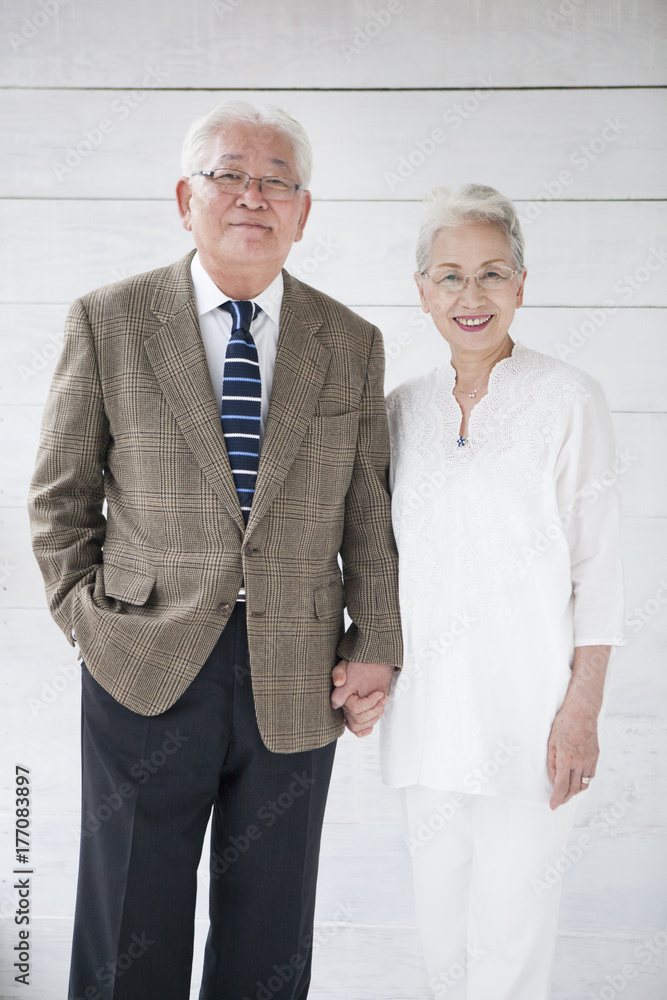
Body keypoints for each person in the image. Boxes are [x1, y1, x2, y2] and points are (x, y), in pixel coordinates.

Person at [28, 99, 402, 1000]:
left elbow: (368, 509)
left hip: (298, 666)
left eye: (277, 181)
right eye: (230, 175)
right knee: (130, 917)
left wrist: (378, 640)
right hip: (143, 660)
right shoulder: (109, 320)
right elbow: (59, 497)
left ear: (303, 212)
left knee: (270, 928)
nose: (252, 196)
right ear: (185, 197)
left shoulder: (348, 343)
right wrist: (91, 623)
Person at [333, 184, 624, 999]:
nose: (472, 296)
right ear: (422, 290)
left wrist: (580, 710)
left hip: (529, 718)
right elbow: (370, 558)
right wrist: (363, 660)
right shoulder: (398, 411)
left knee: (512, 945)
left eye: (492, 274)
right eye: (451, 276)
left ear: (522, 285)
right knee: (442, 944)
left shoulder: (569, 400)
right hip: (426, 717)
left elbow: (599, 571)